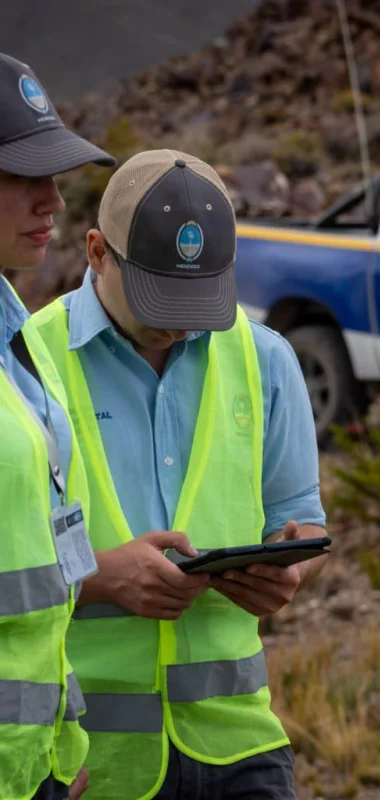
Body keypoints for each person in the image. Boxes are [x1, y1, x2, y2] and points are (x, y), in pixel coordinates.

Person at [34, 149, 328, 800]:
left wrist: (291, 571)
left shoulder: (267, 360)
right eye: (158, 296)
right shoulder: (29, 363)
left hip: (242, 748)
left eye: (198, 295)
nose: (177, 319)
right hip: (91, 762)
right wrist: (101, 579)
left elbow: (303, 518)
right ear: (96, 252)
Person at [0, 52, 116, 800]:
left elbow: (44, 576)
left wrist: (62, 732)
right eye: (21, 176)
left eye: (55, 175)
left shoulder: (19, 337)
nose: (54, 201)